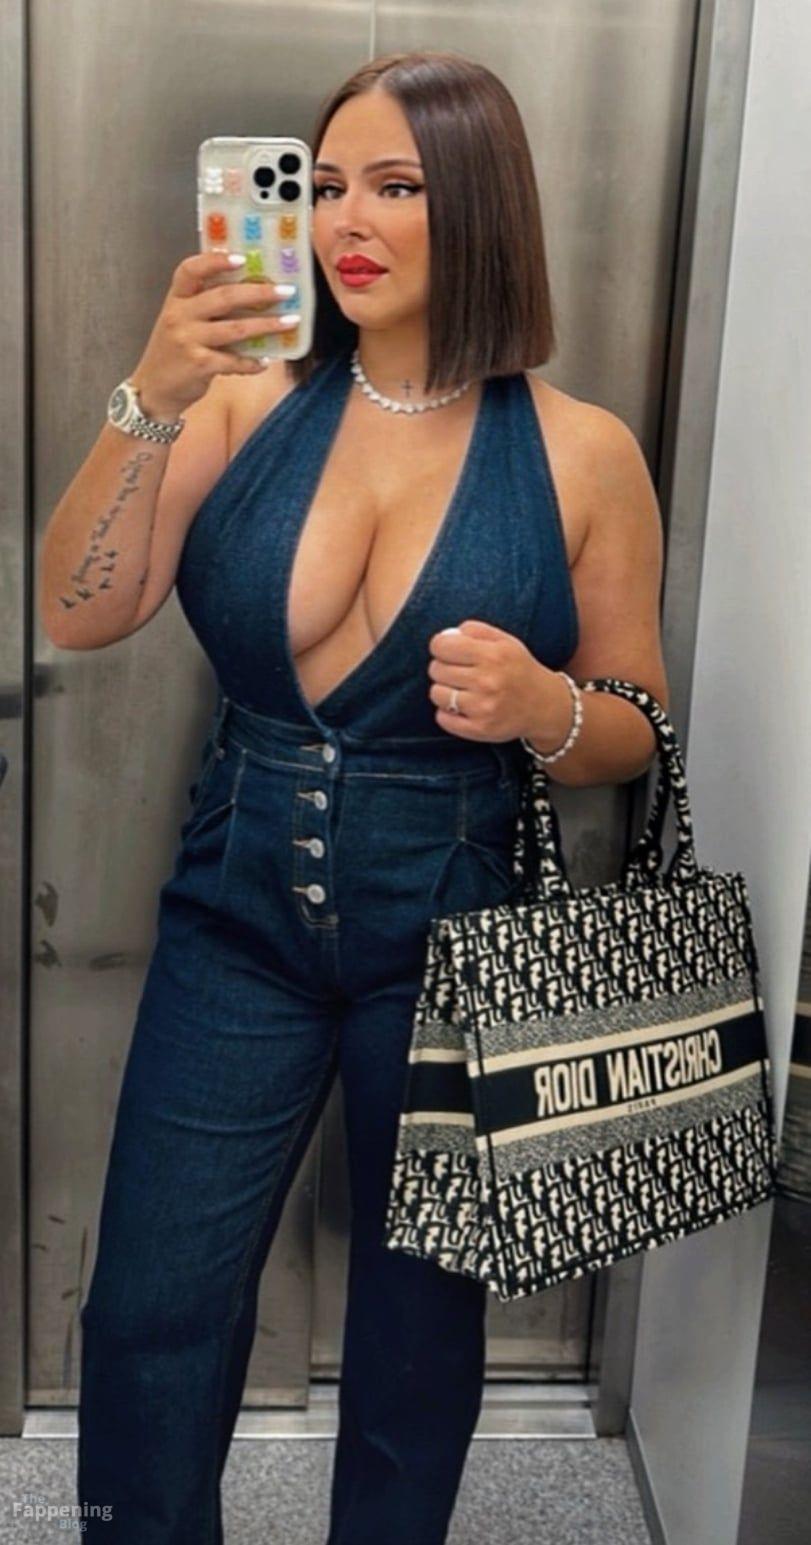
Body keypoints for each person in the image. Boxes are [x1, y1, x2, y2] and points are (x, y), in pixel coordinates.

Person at [39, 47, 669, 1545]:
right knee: (151, 1305)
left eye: (396, 186)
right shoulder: (240, 403)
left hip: (454, 931)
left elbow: (634, 729)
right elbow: (77, 609)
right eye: (324, 186)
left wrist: (545, 708)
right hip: (236, 913)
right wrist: (151, 390)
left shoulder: (583, 453)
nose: (345, 222)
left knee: (418, 1326)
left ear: (485, 208)